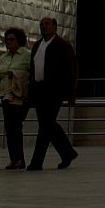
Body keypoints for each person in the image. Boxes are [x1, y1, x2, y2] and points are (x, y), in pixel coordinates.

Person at [27, 16, 79, 170]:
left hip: (54, 91)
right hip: (39, 91)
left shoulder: (63, 46)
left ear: (55, 27)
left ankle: (36, 162)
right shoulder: (37, 45)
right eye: (41, 24)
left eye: (47, 23)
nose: (44, 26)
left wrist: (71, 94)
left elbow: (71, 71)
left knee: (45, 125)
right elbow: (32, 70)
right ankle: (67, 152)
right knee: (47, 125)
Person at [0, 27, 32, 170]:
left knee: (16, 127)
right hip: (5, 97)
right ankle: (14, 159)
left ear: (19, 40)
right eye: (6, 40)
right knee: (9, 128)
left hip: (19, 97)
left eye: (11, 39)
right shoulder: (3, 58)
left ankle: (19, 159)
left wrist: (16, 74)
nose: (8, 42)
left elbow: (32, 75)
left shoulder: (27, 55)